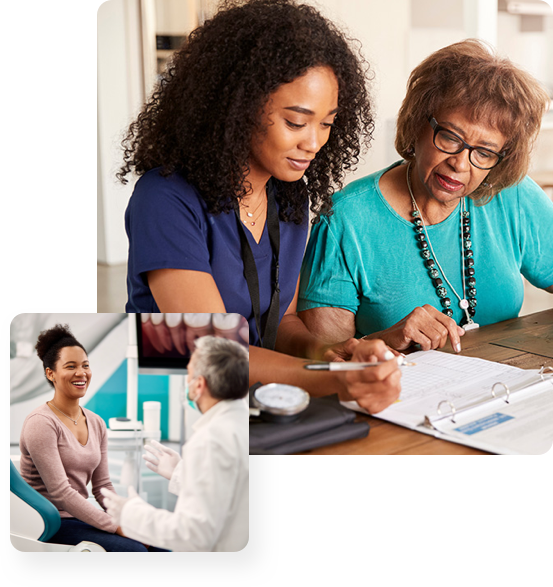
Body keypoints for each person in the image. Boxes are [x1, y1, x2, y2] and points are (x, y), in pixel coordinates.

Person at [121, 0, 401, 413]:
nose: (314, 142)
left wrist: (327, 354)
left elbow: (279, 322)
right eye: (296, 122)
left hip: (259, 402)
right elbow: (214, 353)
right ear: (238, 106)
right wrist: (334, 382)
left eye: (326, 123)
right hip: (176, 409)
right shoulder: (164, 199)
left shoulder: (289, 197)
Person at [298, 39, 553, 352]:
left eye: (484, 152)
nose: (460, 163)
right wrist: (387, 338)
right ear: (418, 123)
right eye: (449, 137)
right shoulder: (345, 221)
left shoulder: (513, 195)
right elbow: (323, 361)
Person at [20, 324, 167, 552]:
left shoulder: (96, 422)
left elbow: (102, 486)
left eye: (85, 366)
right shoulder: (41, 423)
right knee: (134, 550)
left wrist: (125, 517)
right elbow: (61, 492)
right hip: (48, 522)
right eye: (71, 366)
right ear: (51, 373)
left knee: (162, 544)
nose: (81, 373)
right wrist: (116, 526)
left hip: (80, 517)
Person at [102, 336, 249, 552]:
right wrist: (181, 473)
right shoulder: (244, 423)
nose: (187, 381)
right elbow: (230, 494)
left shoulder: (210, 439)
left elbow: (192, 534)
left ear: (199, 384)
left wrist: (131, 513)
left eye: (189, 374)